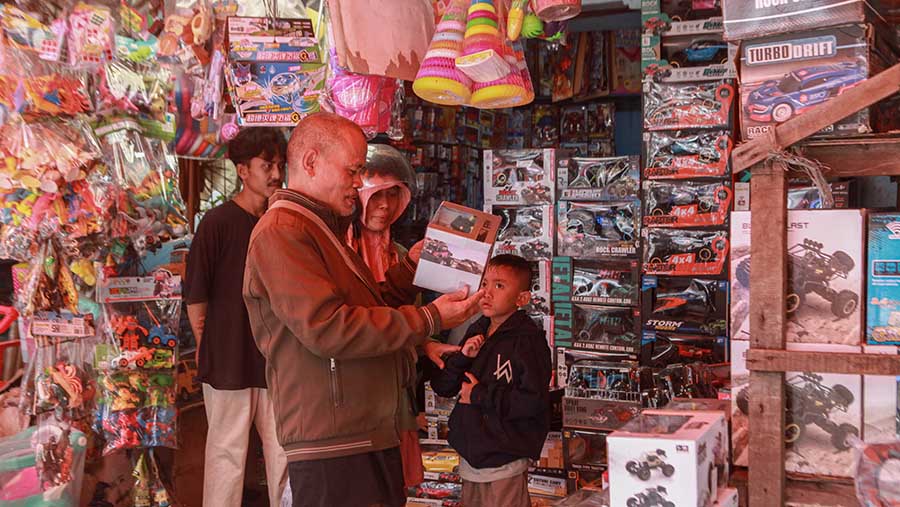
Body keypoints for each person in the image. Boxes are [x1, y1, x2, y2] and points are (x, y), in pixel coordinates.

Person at [242, 112, 483, 507]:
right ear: (311, 162)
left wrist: (408, 271)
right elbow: (329, 328)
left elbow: (362, 307)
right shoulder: (282, 231)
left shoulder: (321, 227)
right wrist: (430, 318)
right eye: (353, 170)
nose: (359, 182)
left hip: (361, 429)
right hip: (333, 438)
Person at [184, 128, 289, 507]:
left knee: (285, 450)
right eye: (267, 166)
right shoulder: (216, 223)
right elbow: (196, 294)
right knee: (227, 453)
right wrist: (203, 344)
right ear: (243, 170)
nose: (275, 174)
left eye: (280, 165)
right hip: (227, 357)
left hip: (277, 358)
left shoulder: (281, 222)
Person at [346, 143, 437, 489]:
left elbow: (411, 316)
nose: (384, 207)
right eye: (376, 196)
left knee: (393, 482)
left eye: (392, 196)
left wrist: (429, 344)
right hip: (354, 389)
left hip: (398, 387)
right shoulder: (341, 253)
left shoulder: (401, 256)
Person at [431, 254, 553, 507]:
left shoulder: (529, 341)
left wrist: (479, 395)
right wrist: (462, 358)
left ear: (522, 298)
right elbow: (443, 387)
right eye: (484, 283)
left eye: (499, 285)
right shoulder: (476, 329)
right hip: (470, 456)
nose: (487, 292)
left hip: (505, 460)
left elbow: (534, 402)